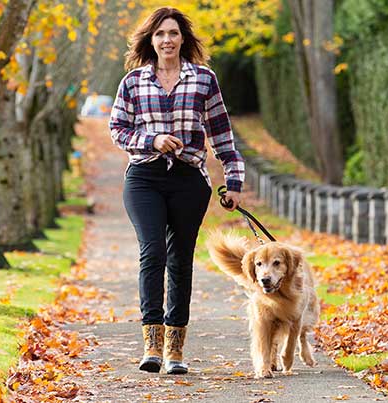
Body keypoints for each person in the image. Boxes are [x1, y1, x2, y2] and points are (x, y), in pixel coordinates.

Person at [109, 7, 245, 375]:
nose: (166, 40)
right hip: (144, 178)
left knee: (180, 259)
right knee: (152, 251)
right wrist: (152, 140)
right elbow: (118, 129)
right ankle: (151, 342)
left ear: (183, 38)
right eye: (159, 34)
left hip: (189, 180)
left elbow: (221, 134)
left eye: (172, 33)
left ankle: (175, 349)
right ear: (150, 40)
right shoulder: (134, 82)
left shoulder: (203, 79)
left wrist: (233, 182)